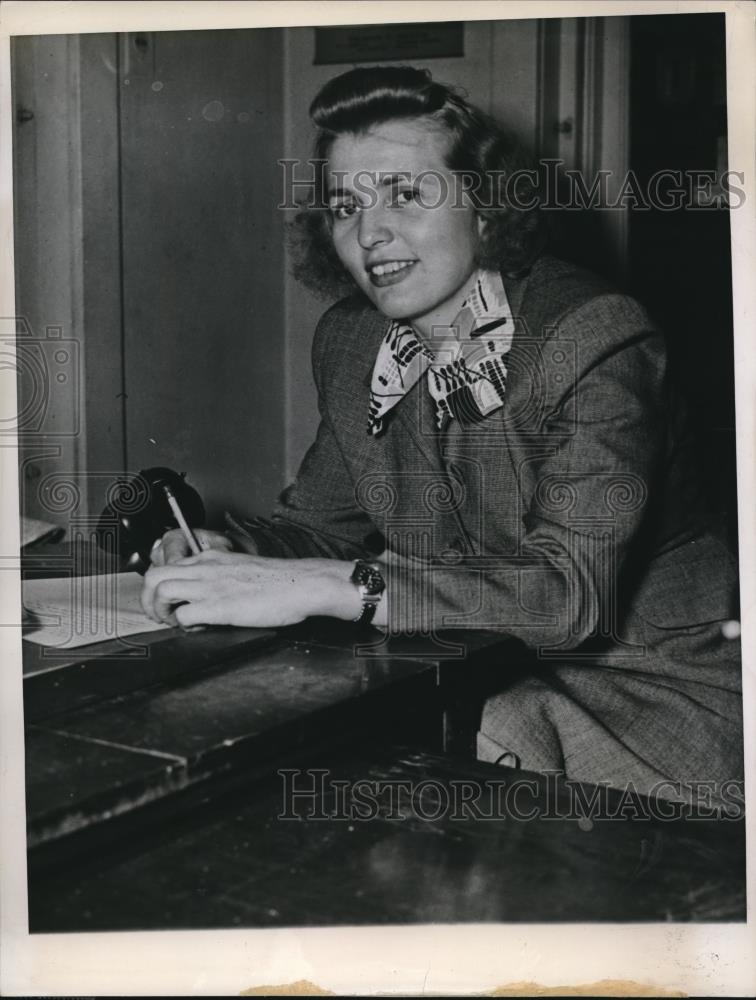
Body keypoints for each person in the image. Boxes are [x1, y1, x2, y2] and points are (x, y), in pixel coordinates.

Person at [141, 66, 743, 807]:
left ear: (486, 209)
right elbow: (318, 528)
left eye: (405, 193)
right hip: (473, 666)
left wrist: (341, 587)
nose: (370, 233)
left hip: (655, 694)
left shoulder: (592, 335)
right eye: (344, 205)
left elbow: (565, 598)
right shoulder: (352, 344)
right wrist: (234, 554)